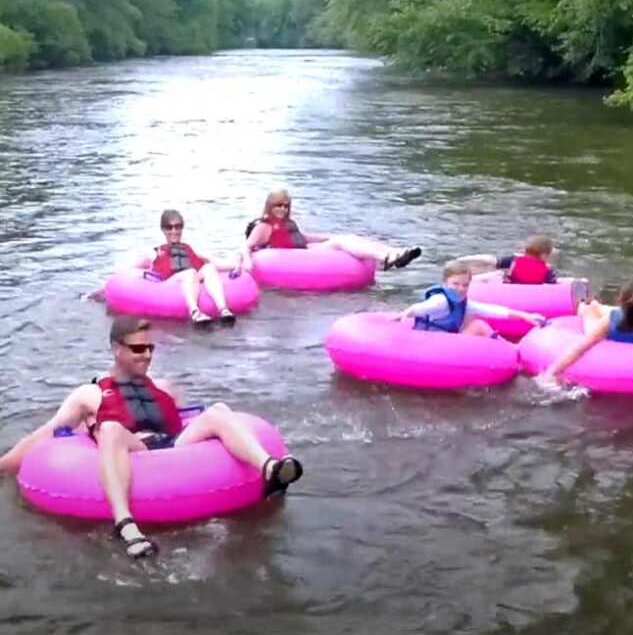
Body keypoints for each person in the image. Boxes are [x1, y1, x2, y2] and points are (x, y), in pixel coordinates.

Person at [0, 317, 303, 559]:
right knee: (110, 429)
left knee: (219, 410)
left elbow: (186, 421)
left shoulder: (164, 388)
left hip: (173, 444)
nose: (146, 355)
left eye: (150, 348)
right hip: (134, 447)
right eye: (138, 349)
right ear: (117, 349)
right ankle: (125, 523)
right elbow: (47, 433)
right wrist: (5, 465)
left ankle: (270, 468)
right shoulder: (88, 395)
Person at [241, 189, 422, 272]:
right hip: (297, 257)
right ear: (270, 206)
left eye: (285, 206)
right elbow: (246, 246)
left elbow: (304, 238)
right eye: (279, 205)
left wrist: (329, 236)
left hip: (303, 250)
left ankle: (396, 252)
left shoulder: (287, 223)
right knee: (340, 243)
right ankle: (384, 258)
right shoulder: (264, 226)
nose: (283, 209)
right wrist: (248, 261)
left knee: (348, 237)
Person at [134, 209, 240, 324]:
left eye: (178, 227)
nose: (174, 231)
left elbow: (214, 263)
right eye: (169, 227)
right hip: (170, 282)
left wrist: (236, 264)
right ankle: (195, 312)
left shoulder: (188, 248)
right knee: (190, 273)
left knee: (208, 268)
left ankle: (223, 309)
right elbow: (133, 268)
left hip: (191, 278)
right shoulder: (154, 253)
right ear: (163, 229)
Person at [399, 260, 546, 336]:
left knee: (470, 319)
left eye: (465, 285)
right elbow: (424, 308)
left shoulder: (463, 303)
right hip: (432, 344)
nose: (461, 289)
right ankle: (510, 350)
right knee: (478, 326)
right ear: (444, 284)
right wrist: (408, 312)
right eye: (455, 284)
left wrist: (525, 315)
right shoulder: (441, 301)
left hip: (444, 341)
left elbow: (492, 310)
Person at [455, 236, 559, 284]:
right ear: (544, 255)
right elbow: (552, 285)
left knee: (498, 274)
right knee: (499, 274)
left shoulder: (514, 260)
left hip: (509, 290)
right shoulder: (547, 270)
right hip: (532, 294)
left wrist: (462, 259)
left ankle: (470, 280)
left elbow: (490, 260)